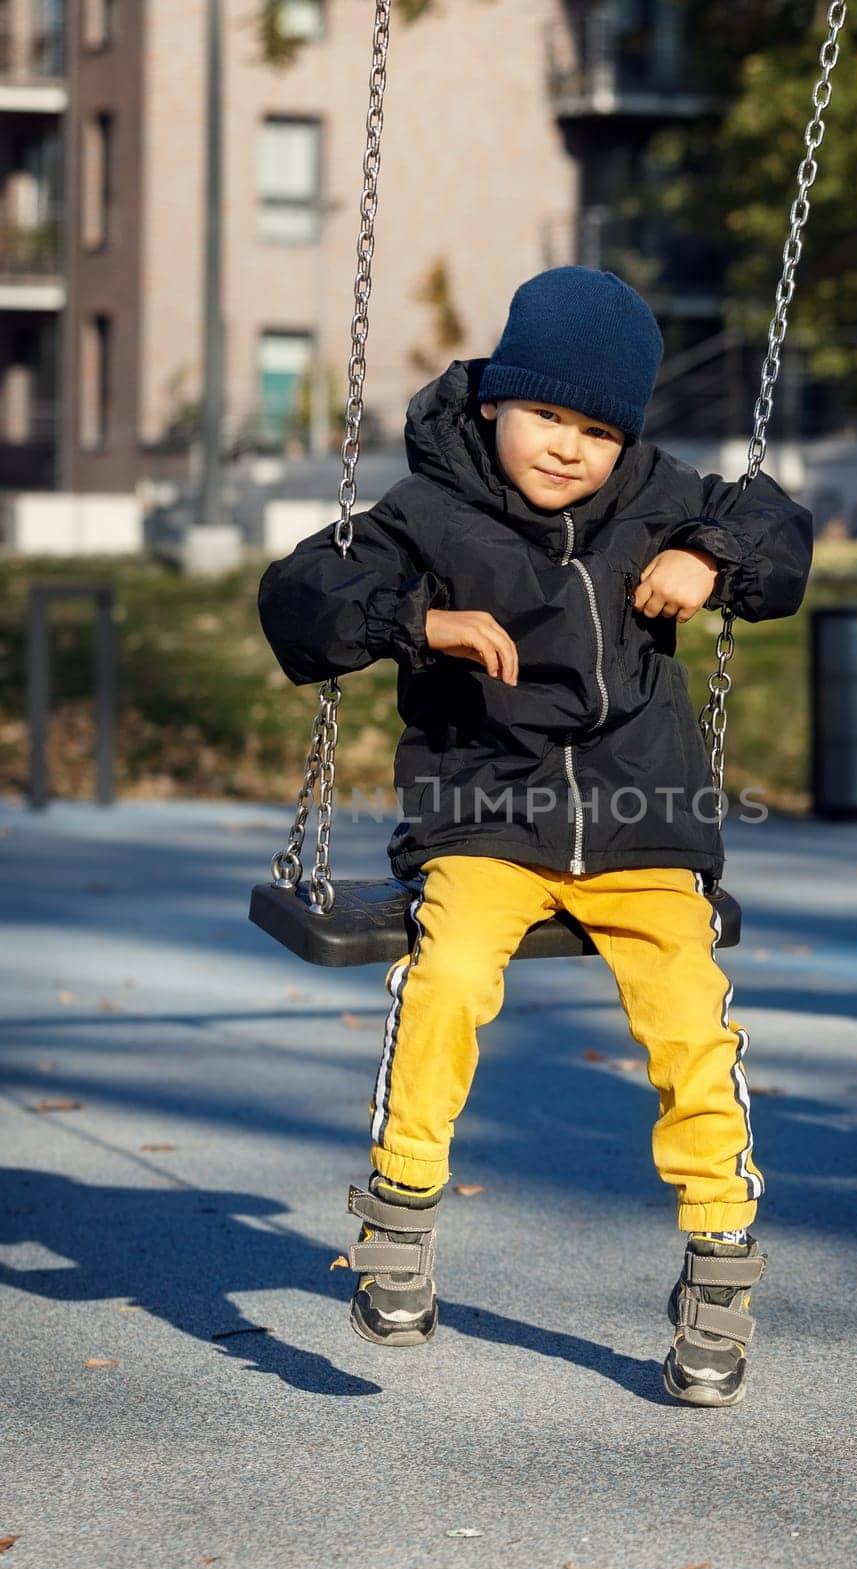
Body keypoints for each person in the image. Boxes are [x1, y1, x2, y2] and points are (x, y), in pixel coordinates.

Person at [257, 266, 813, 1407]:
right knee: (447, 977)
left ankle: (718, 1261)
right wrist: (416, 620)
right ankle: (400, 1217)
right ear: (495, 402)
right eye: (547, 415)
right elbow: (299, 599)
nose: (569, 447)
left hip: (638, 821)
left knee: (687, 1027)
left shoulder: (660, 499)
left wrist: (712, 560)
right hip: (486, 815)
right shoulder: (425, 512)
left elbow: (776, 522)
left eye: (599, 429)